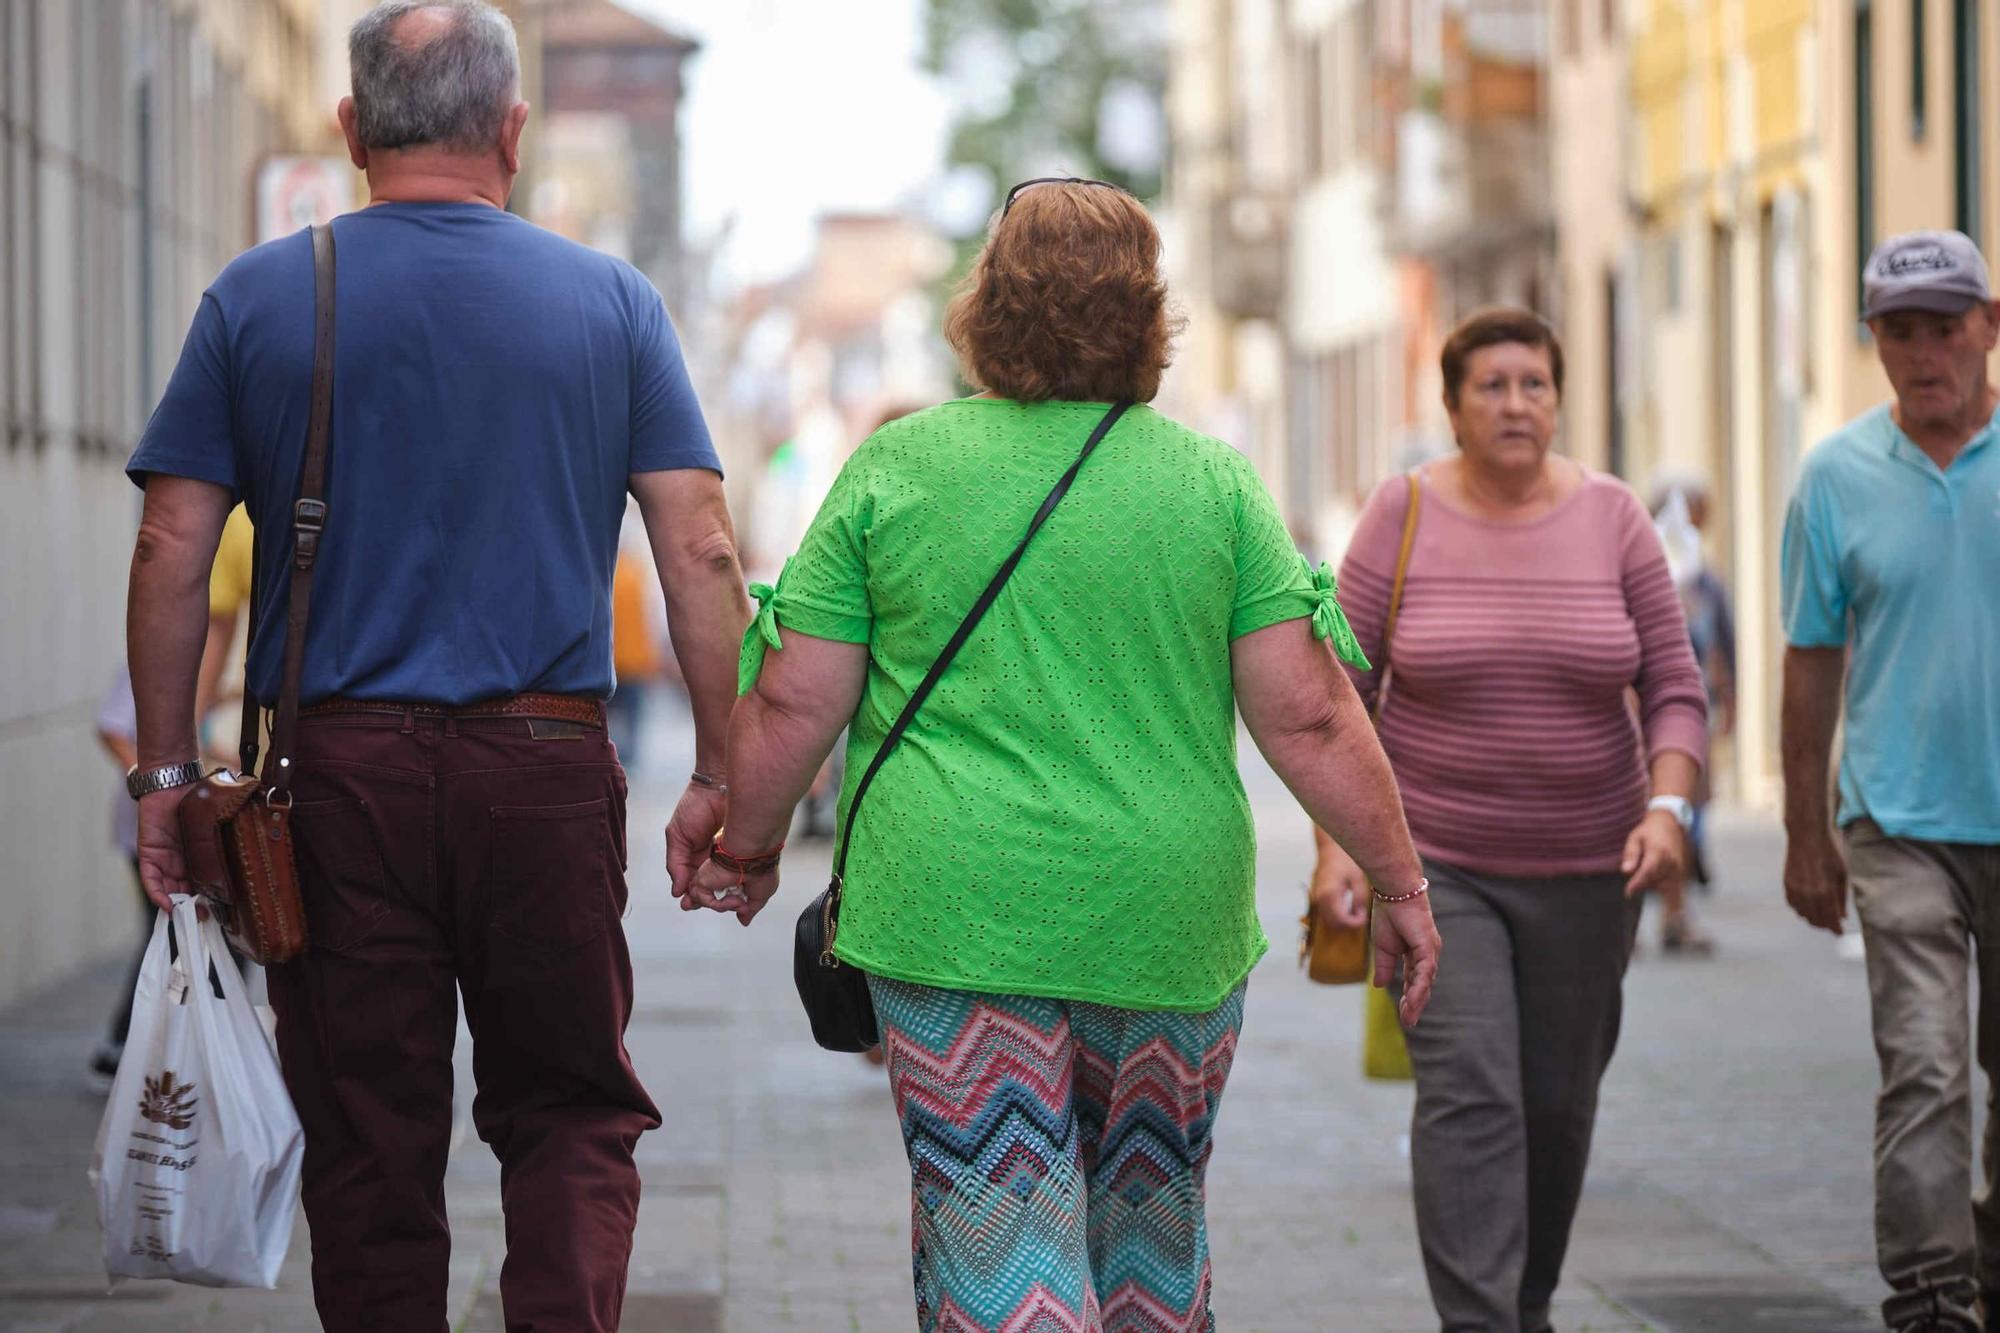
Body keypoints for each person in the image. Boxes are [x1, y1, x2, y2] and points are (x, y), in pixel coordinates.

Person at [674, 178, 1442, 1333]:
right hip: (1166, 919)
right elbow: (1312, 717)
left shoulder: (896, 469)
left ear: (984, 304)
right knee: (1150, 1230)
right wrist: (1400, 883)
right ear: (1148, 316)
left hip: (952, 914)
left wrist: (747, 841)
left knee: (998, 1231)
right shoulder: (1212, 483)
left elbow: (791, 699)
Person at [120, 3, 749, 1328]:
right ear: (512, 132)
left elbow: (173, 540)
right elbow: (699, 551)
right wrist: (730, 782)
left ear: (350, 128)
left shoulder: (256, 295)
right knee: (571, 1113)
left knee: (367, 1138)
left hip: (335, 786)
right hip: (546, 770)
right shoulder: (613, 304)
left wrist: (166, 774)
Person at [1310, 306, 1707, 1333]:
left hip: (1592, 871)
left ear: (1557, 397)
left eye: (1532, 383)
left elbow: (1672, 684)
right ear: (1449, 407)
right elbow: (1331, 700)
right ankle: (1480, 1320)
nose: (1514, 403)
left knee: (1556, 1108)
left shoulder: (1613, 516)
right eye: (1489, 385)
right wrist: (1336, 851)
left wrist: (1666, 809)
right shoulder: (1397, 517)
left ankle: (1525, 1303)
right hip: (1438, 872)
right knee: (1469, 1097)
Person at [1780, 229, 2000, 1333]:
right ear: (1872, 343)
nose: (1923, 353)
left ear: (1988, 328)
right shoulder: (1832, 476)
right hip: (1895, 819)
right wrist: (1801, 833)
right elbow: (1808, 659)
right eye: (1897, 331)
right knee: (1923, 1067)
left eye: (1944, 326)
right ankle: (1927, 1292)